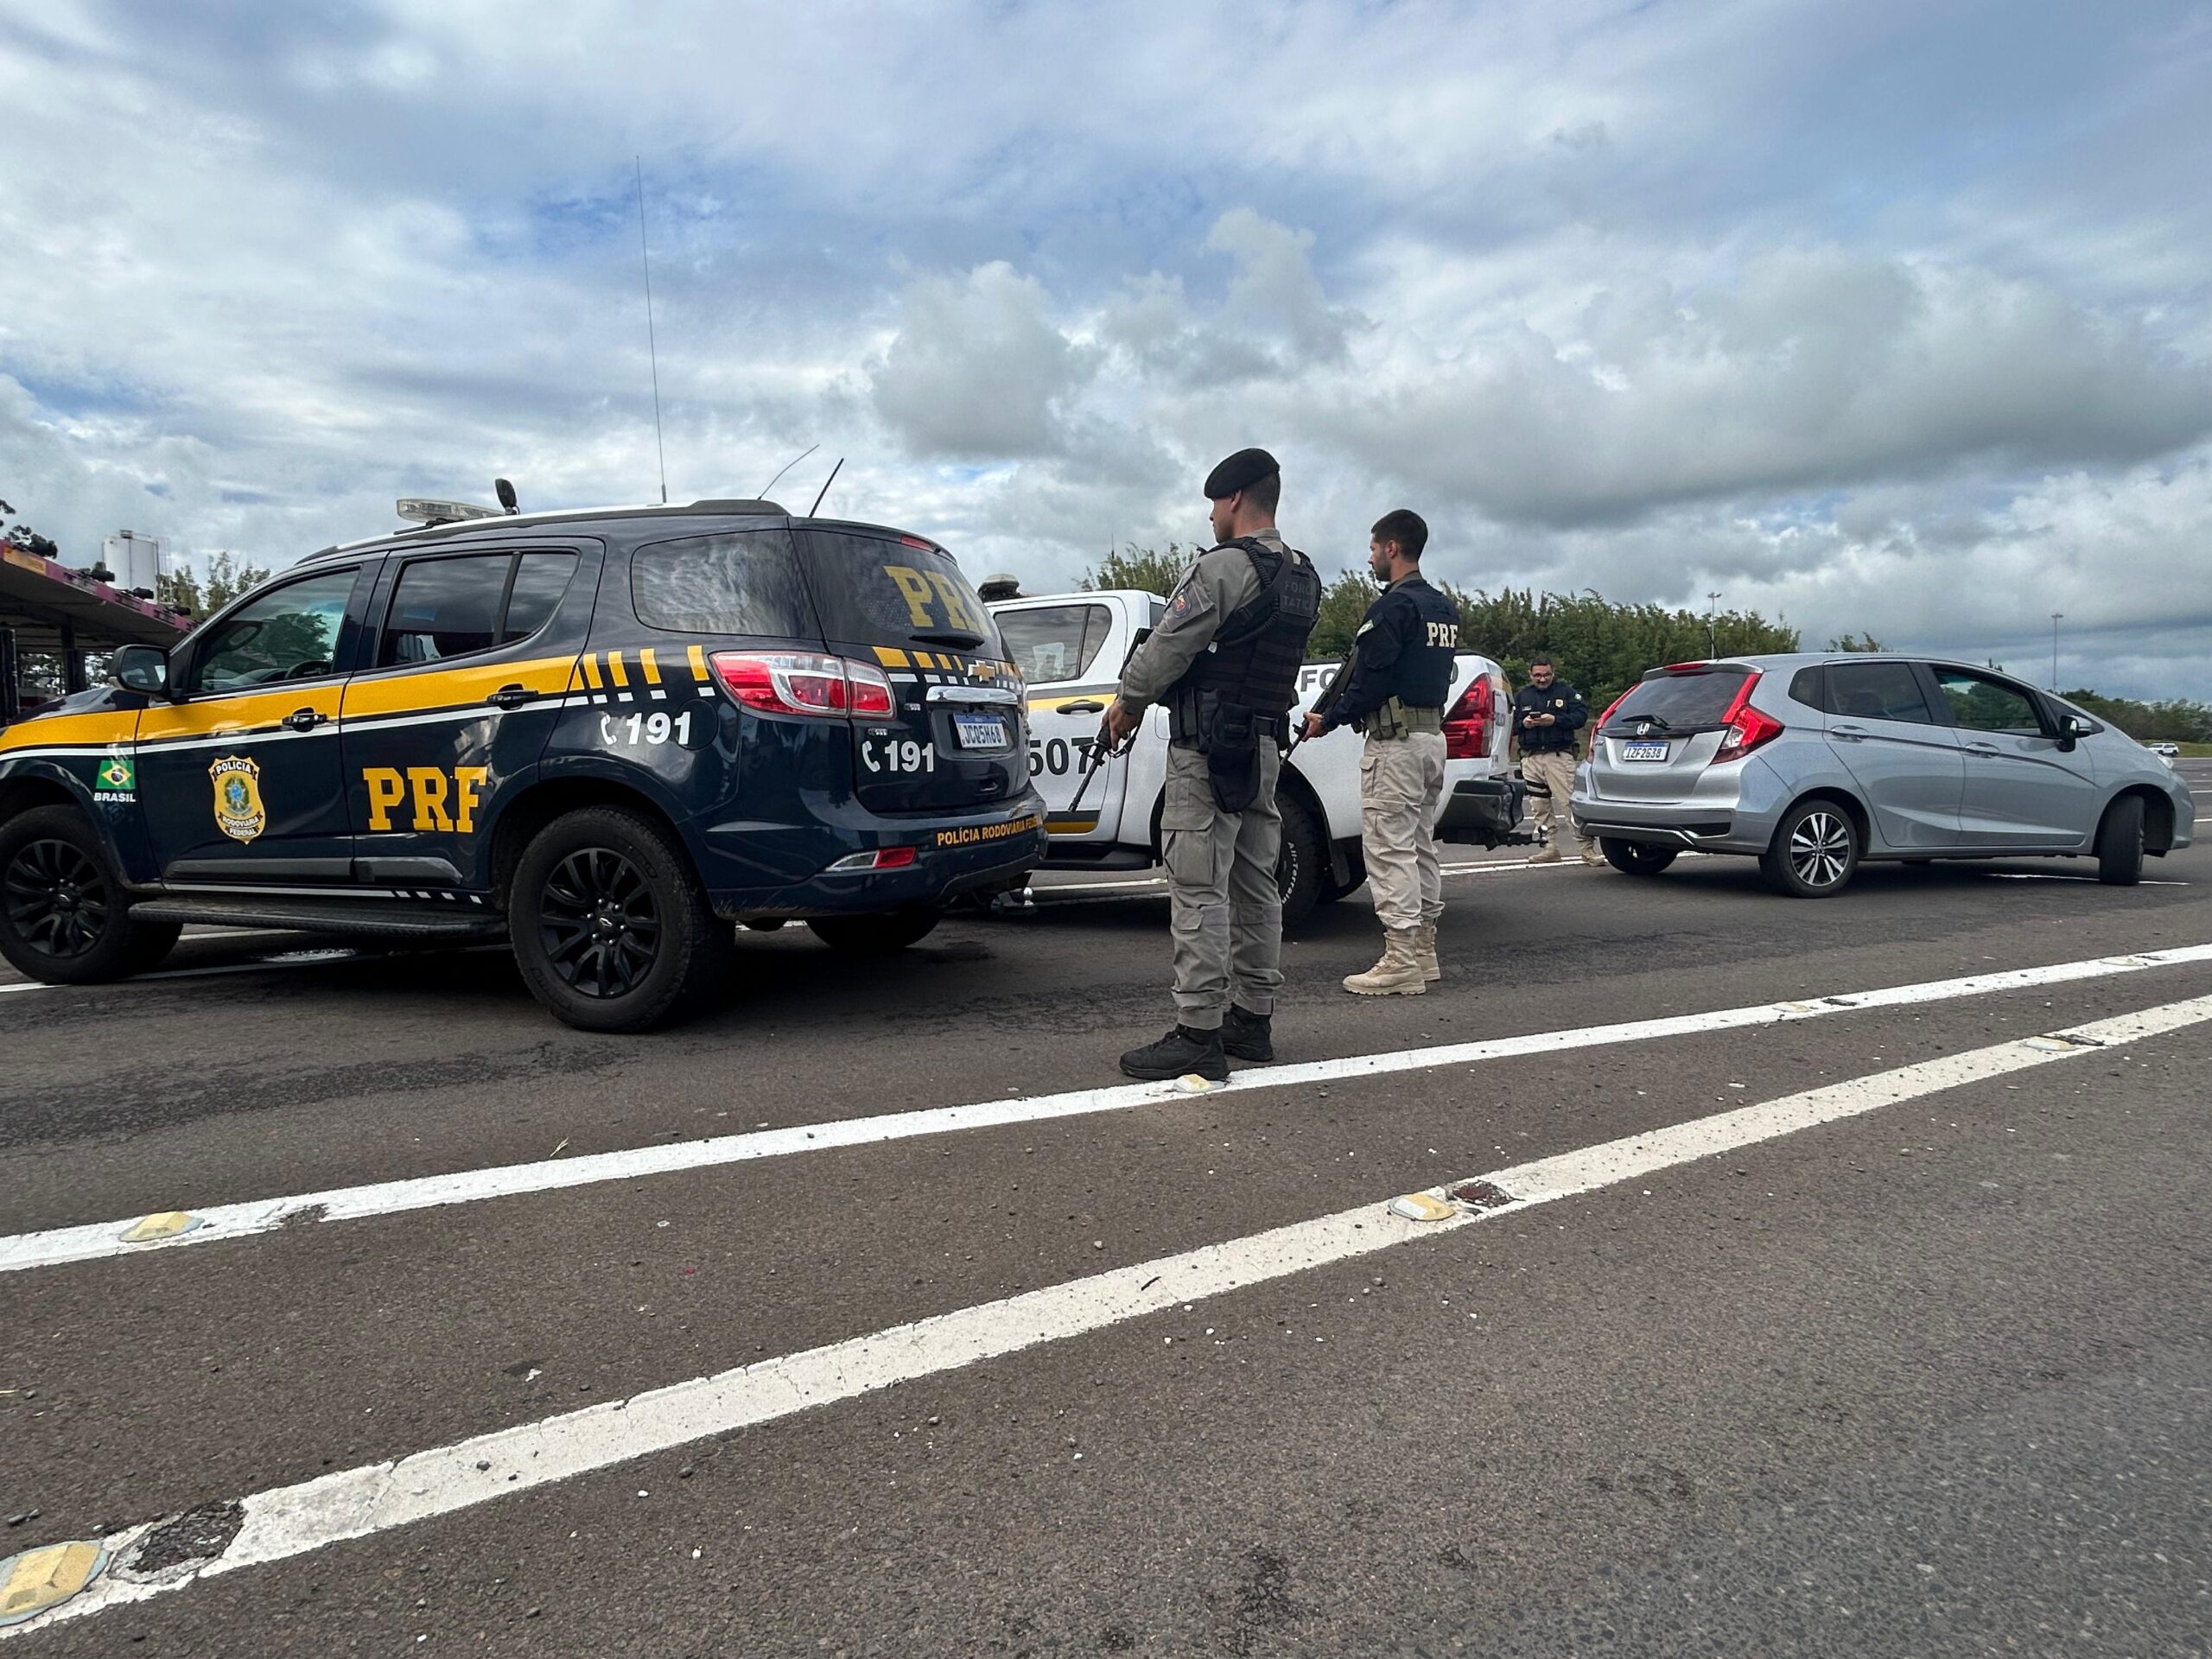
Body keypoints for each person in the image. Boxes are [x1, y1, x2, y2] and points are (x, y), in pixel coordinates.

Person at [1100, 448, 1321, 1080]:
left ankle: (1198, 1030)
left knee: (1197, 886)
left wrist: (1128, 702)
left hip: (1206, 749)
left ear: (1232, 502)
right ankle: (1252, 1020)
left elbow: (1171, 643)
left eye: (1212, 506)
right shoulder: (1304, 574)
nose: (1209, 518)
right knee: (1257, 884)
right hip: (1261, 748)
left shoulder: (1222, 568)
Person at [1300, 509, 1457, 995]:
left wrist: (1330, 717)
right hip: (1431, 739)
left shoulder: (1392, 607)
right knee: (1419, 844)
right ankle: (1424, 951)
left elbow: (1372, 678)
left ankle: (1401, 959)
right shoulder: (1443, 607)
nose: (1370, 558)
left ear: (1392, 548)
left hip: (1396, 744)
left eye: (1373, 549)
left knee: (1388, 849)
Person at [1512, 654, 1599, 865]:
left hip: (1559, 757)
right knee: (1539, 808)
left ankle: (1587, 850)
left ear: (1553, 673)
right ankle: (1548, 848)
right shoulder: (1522, 696)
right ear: (1530, 675)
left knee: (1570, 805)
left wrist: (1555, 720)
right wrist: (1524, 723)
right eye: (1538, 675)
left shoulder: (1567, 693)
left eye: (1546, 675)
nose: (1542, 679)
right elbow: (1510, 726)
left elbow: (1580, 719)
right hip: (1531, 759)